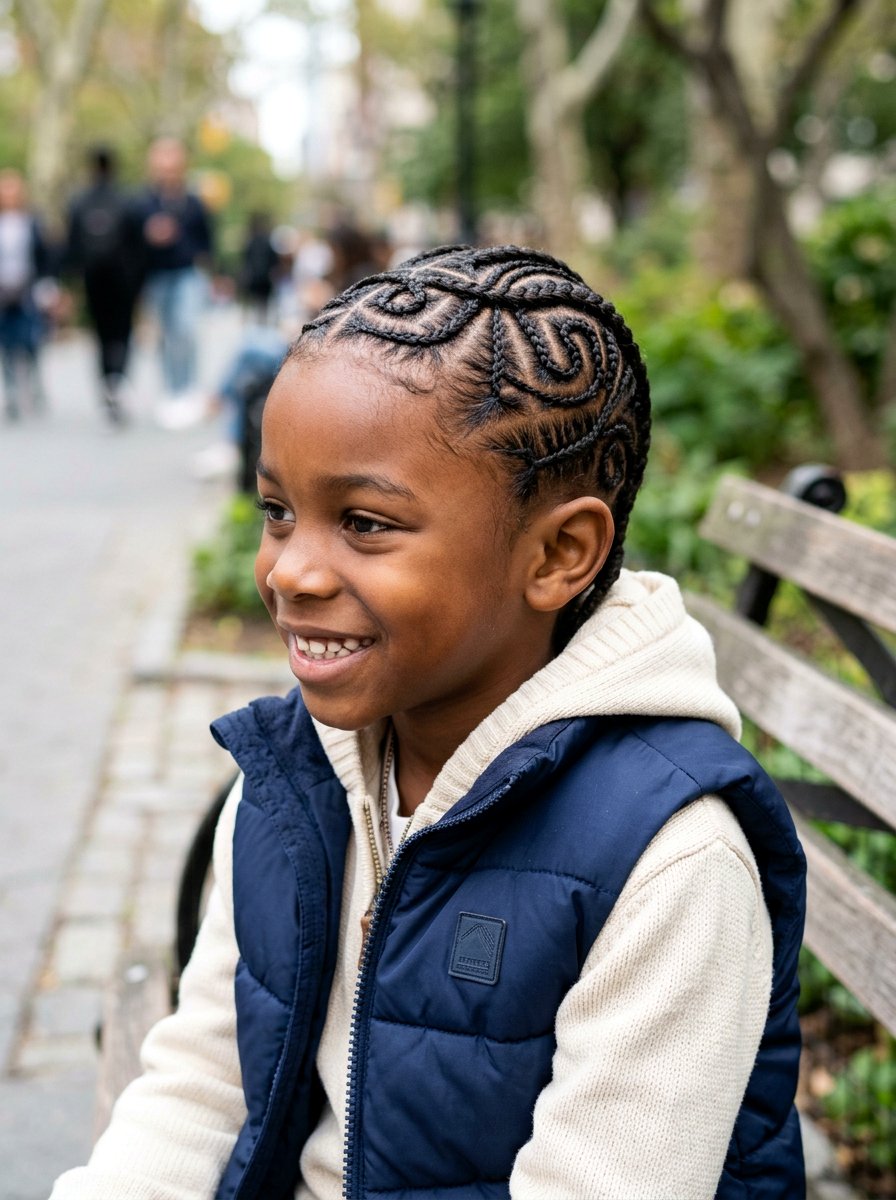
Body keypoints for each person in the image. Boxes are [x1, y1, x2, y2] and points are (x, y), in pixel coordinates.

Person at [50, 245, 807, 1199]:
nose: (291, 571)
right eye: (277, 512)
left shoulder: (671, 860)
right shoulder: (293, 775)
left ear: (558, 554)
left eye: (364, 523)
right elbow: (203, 1081)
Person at [134, 136, 213, 429]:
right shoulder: (143, 202)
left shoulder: (193, 201)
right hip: (156, 275)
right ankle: (171, 392)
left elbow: (207, 240)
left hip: (187, 273)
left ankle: (188, 389)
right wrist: (149, 235)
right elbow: (131, 242)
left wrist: (212, 273)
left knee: (186, 330)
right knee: (166, 335)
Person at [66, 146, 144, 424]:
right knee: (121, 334)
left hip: (93, 280)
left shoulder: (79, 202)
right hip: (123, 282)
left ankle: (106, 388)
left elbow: (71, 247)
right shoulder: (128, 201)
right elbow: (139, 246)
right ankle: (118, 381)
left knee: (100, 336)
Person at [0, 169, 56, 420]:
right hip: (3, 290)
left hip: (27, 289)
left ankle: (34, 386)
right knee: (6, 343)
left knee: (31, 341)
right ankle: (11, 392)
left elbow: (46, 255)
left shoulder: (32, 221)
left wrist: (48, 286)